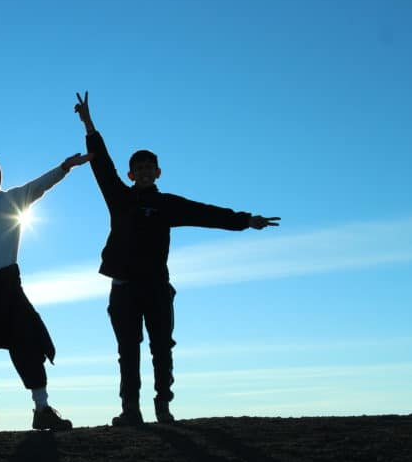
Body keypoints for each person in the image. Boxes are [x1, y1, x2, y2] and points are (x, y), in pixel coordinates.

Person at [74, 91, 280, 426]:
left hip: (156, 287)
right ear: (130, 174)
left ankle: (163, 407)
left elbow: (206, 214)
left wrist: (246, 220)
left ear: (158, 172)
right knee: (128, 350)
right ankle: (130, 410)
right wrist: (88, 124)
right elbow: (102, 164)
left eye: (148, 168)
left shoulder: (167, 204)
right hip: (124, 288)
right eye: (137, 168)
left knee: (161, 348)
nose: (142, 172)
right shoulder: (120, 198)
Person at [0, 150, 93, 432]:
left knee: (28, 342)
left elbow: (40, 185)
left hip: (7, 287)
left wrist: (65, 166)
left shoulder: (12, 199)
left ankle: (42, 409)